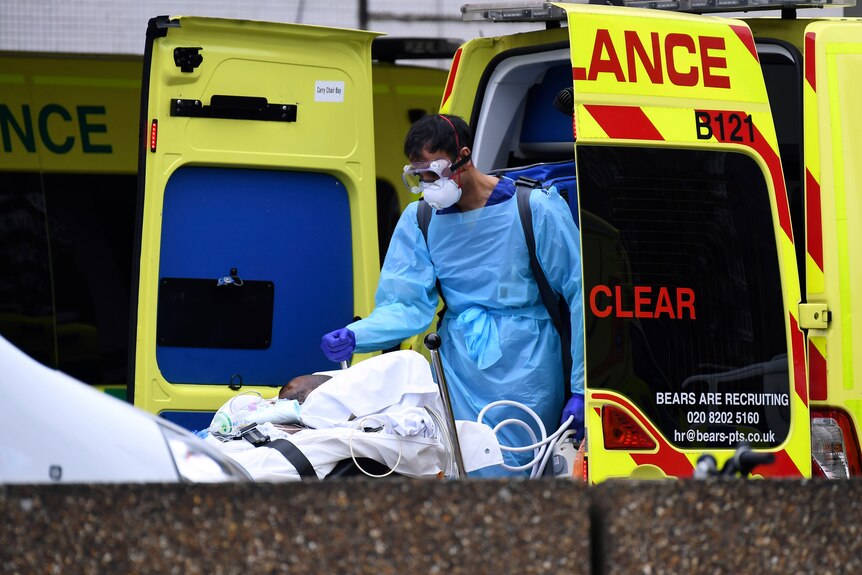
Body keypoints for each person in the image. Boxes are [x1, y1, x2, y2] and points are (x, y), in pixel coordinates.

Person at [320, 114, 584, 477]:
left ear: (463, 156)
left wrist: (583, 388)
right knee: (459, 470)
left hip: (530, 368)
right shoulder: (421, 219)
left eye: (434, 172)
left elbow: (581, 294)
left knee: (520, 471)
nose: (428, 184)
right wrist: (357, 336)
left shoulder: (534, 208)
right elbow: (407, 305)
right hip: (457, 368)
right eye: (419, 175)